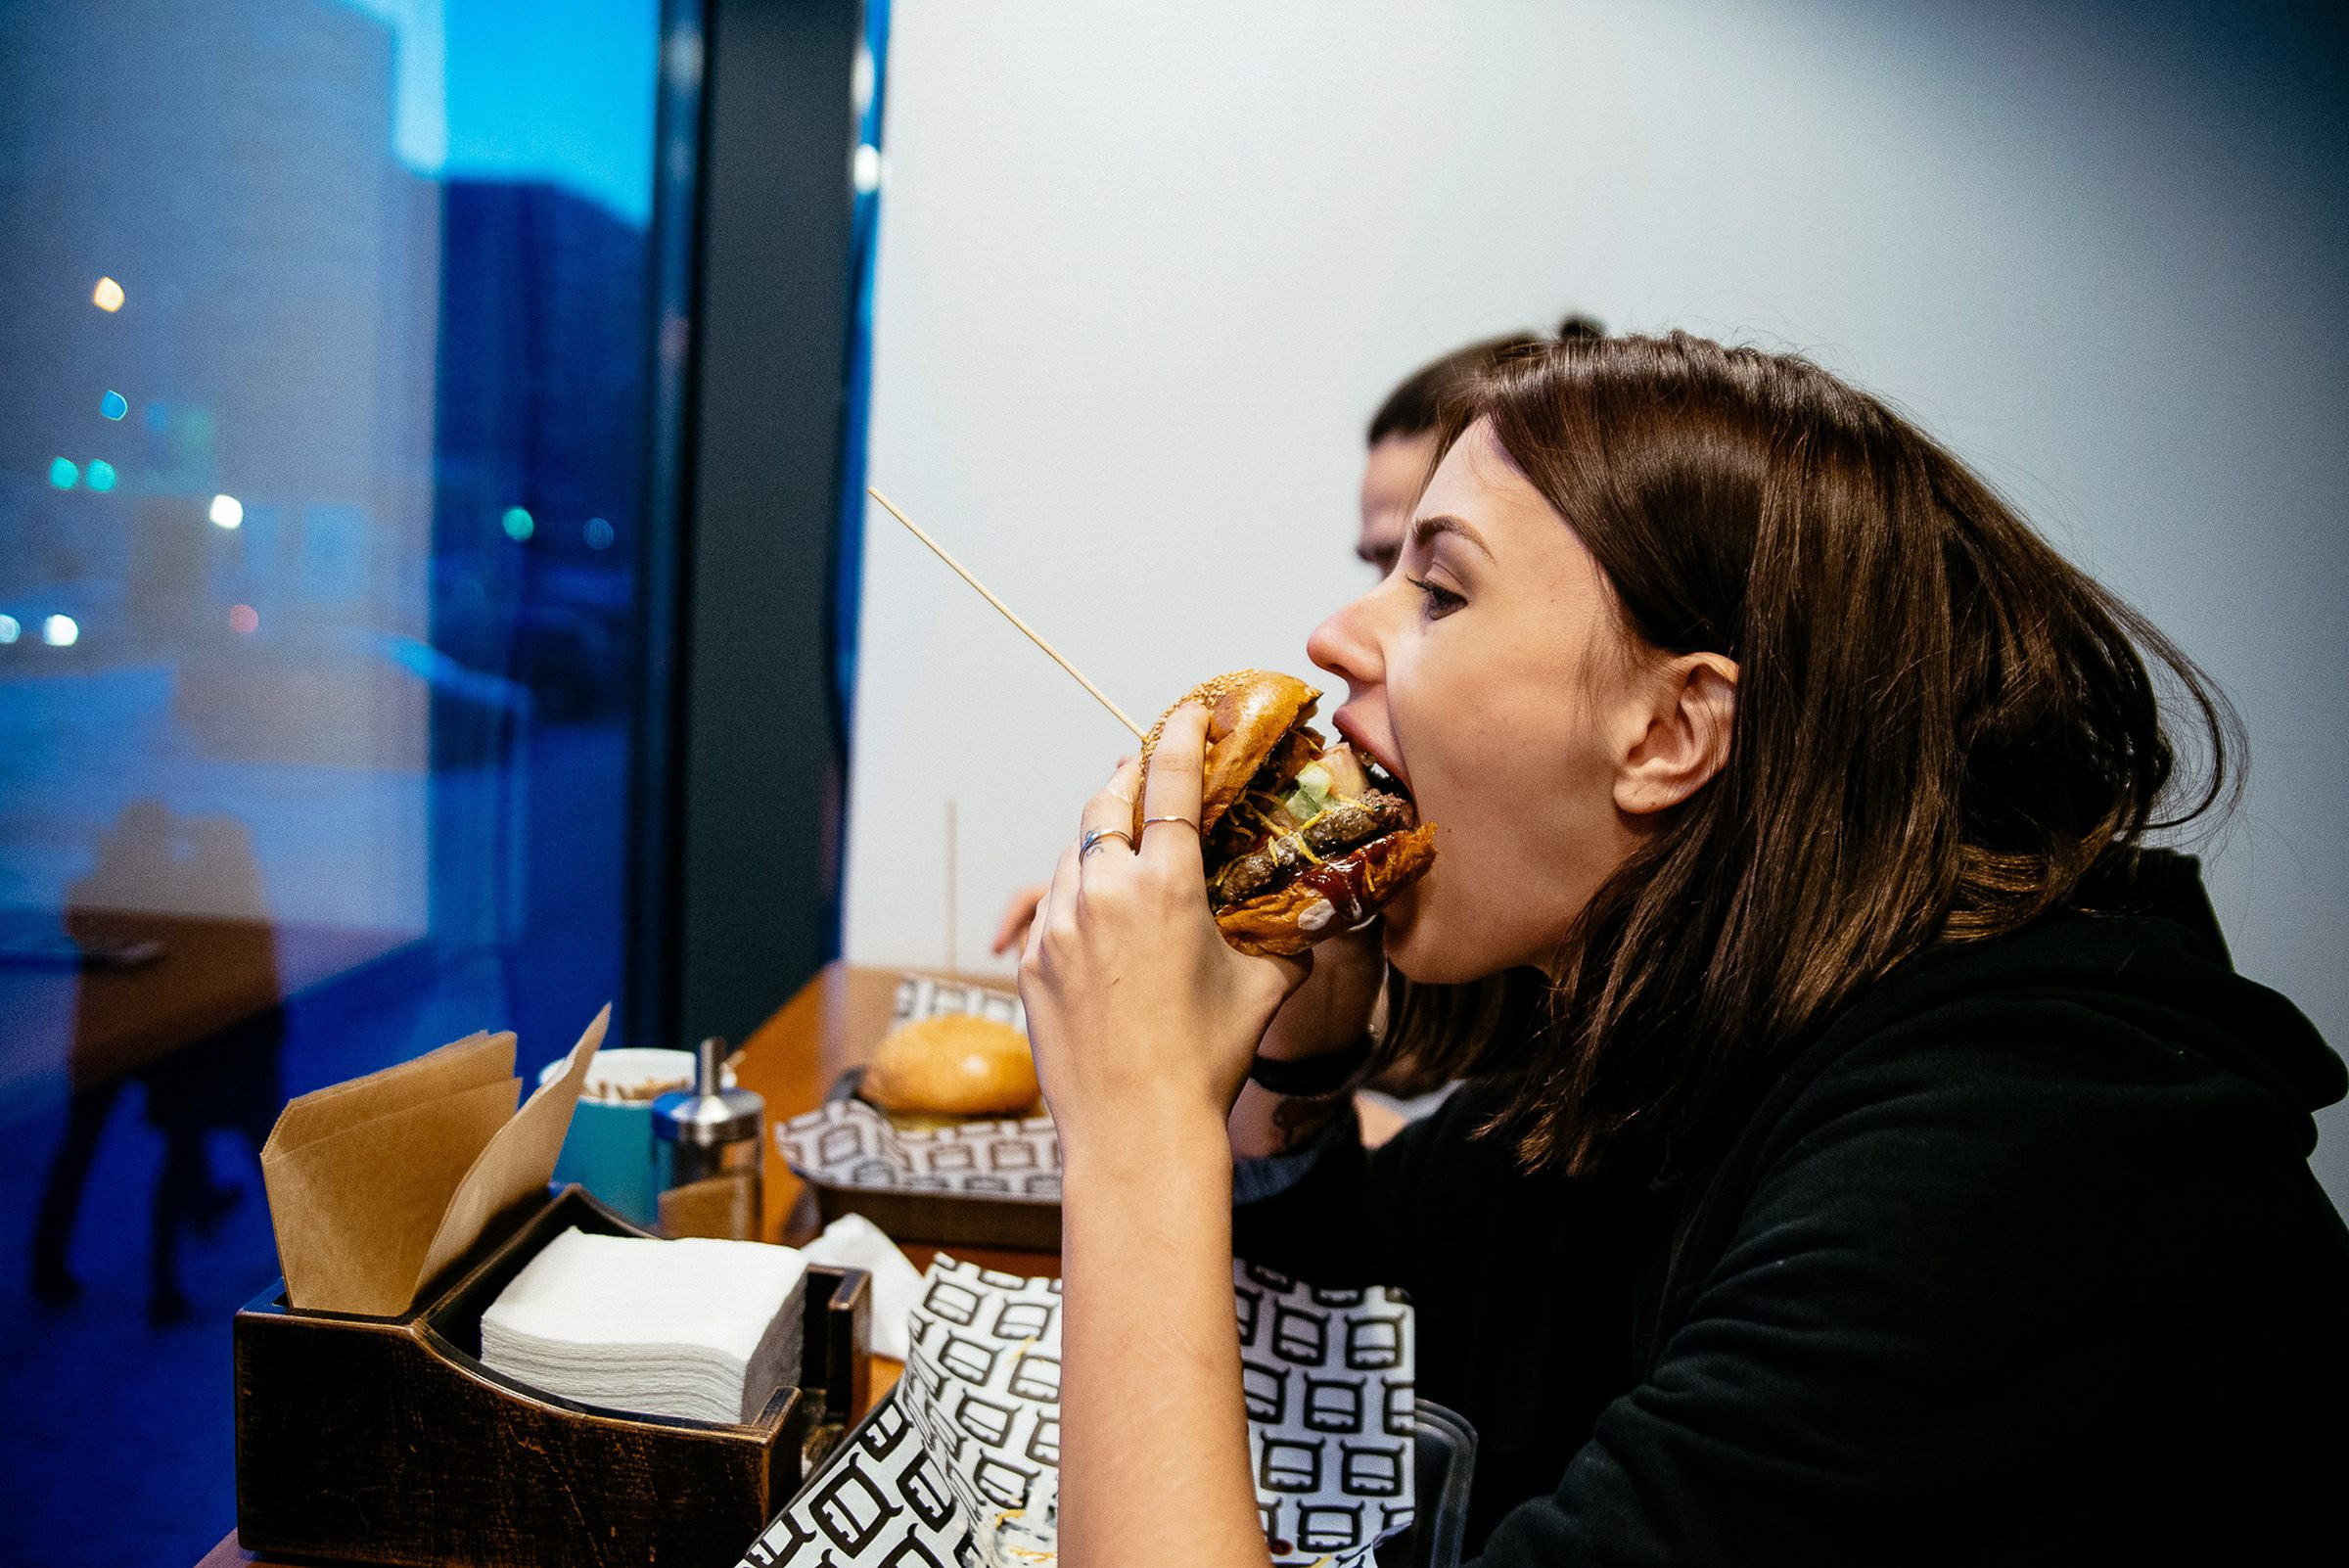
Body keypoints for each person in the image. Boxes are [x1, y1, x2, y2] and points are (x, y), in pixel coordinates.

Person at [1014, 331, 2349, 1564]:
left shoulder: (2012, 1186)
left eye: (1437, 590)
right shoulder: (1681, 1034)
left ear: (1670, 734)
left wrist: (1134, 1132)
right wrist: (1299, 1022)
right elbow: (1348, 1291)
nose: (1333, 637)